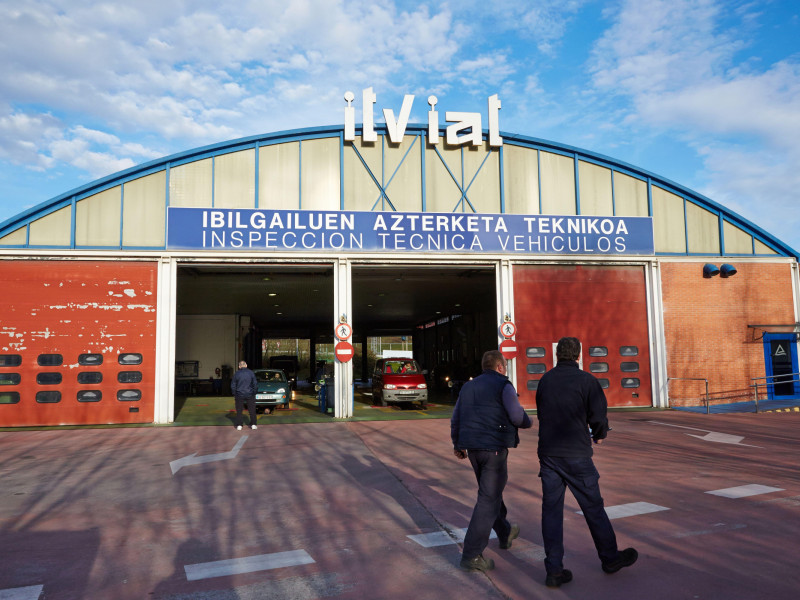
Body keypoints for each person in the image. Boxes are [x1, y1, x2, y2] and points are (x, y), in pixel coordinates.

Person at [535, 337, 637, 588]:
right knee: (593, 507)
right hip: (577, 454)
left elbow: (541, 412)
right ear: (578, 355)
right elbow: (599, 417)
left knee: (551, 511)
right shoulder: (587, 381)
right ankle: (610, 558)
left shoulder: (545, 380)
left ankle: (554, 570)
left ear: (557, 354)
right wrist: (599, 435)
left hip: (549, 455)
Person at [451, 349, 532, 572]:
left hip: (473, 449)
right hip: (494, 448)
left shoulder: (468, 387)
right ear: (499, 367)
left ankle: (505, 532)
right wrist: (528, 421)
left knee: (491, 493)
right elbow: (516, 416)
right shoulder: (503, 385)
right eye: (504, 365)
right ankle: (472, 554)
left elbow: (456, 417)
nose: (505, 369)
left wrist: (458, 444)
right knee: (488, 499)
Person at [231, 360, 258, 431]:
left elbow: (233, 385)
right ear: (246, 365)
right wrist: (254, 392)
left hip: (239, 394)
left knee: (239, 410)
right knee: (252, 410)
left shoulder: (236, 374)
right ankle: (253, 424)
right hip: (250, 394)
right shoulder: (251, 373)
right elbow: (255, 384)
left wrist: (234, 393)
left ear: (239, 366)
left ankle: (239, 425)